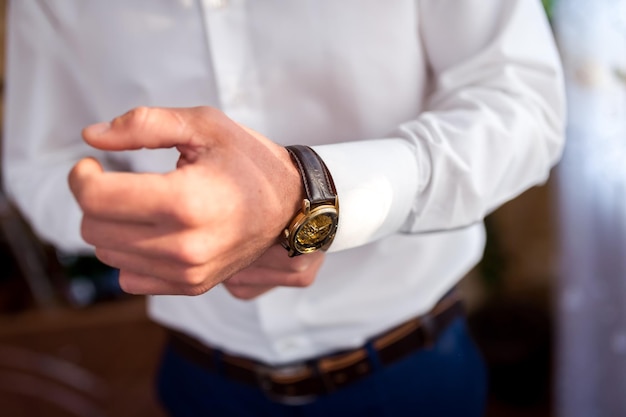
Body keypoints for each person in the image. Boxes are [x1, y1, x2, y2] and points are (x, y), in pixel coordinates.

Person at [2, 1, 565, 416]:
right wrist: (138, 220)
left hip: (411, 373)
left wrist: (313, 196)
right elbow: (40, 163)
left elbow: (522, 105)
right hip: (200, 383)